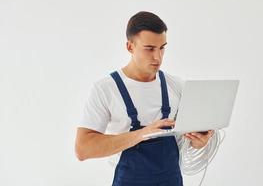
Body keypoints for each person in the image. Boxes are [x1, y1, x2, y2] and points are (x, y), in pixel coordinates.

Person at [75, 11, 214, 186]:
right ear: (130, 47)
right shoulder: (106, 89)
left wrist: (199, 142)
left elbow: (185, 141)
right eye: (149, 48)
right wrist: (142, 134)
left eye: (162, 47)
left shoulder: (176, 85)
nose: (158, 57)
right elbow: (83, 149)